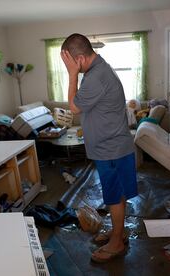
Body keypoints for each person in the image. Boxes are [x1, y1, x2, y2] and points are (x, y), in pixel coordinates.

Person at [60, 33, 138, 263]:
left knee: (114, 197)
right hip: (113, 146)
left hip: (111, 149)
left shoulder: (95, 77)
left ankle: (116, 243)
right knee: (118, 194)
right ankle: (119, 231)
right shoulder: (99, 69)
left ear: (80, 59)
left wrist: (72, 75)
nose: (68, 67)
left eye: (69, 63)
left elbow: (74, 107)